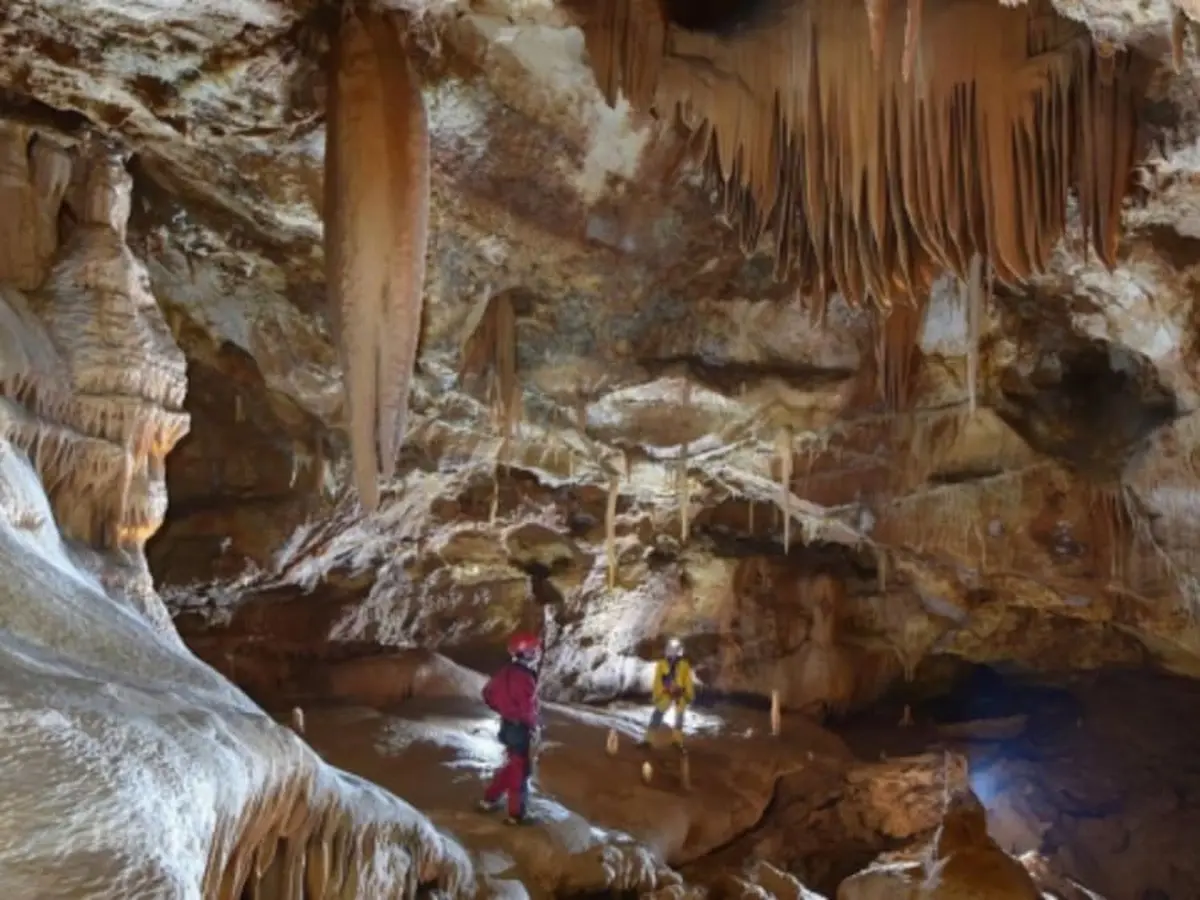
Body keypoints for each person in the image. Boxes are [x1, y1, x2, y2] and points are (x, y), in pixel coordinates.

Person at [479, 631, 542, 825]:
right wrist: (532, 727)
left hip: (508, 725)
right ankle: (516, 815)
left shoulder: (506, 671)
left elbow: (487, 694)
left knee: (513, 765)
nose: (538, 652)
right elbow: (527, 708)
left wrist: (503, 710)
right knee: (520, 772)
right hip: (519, 729)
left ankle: (489, 800)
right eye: (535, 649)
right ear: (529, 653)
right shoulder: (524, 677)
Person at [641, 636, 694, 749]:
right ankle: (647, 741)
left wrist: (685, 693)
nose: (672, 653)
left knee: (679, 719)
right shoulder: (662, 664)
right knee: (657, 715)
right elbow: (658, 680)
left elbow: (687, 681)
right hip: (666, 693)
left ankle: (677, 742)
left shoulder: (684, 665)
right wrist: (662, 691)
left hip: (680, 694)